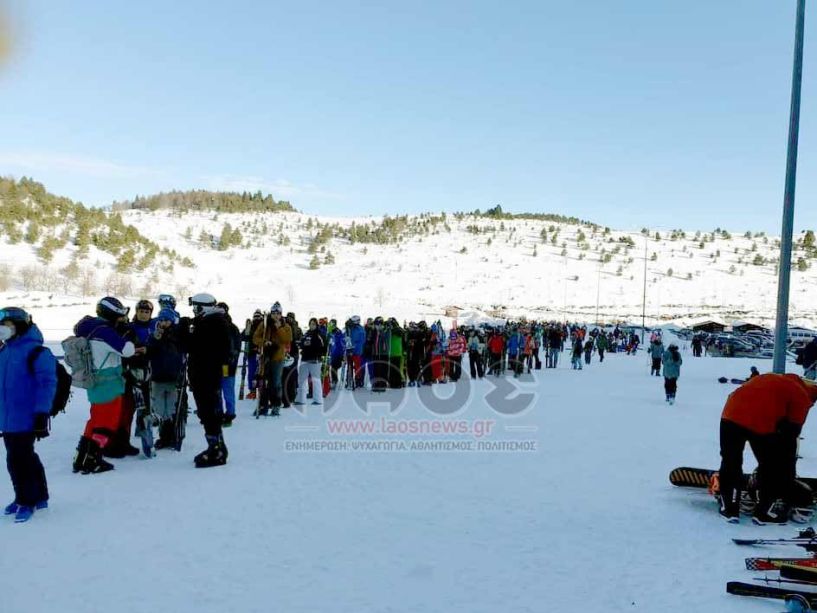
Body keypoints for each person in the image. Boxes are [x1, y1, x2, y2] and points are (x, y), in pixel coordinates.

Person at [717, 373, 817, 524]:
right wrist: (787, 474)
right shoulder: (803, 397)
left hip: (730, 414)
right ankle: (763, 512)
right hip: (761, 422)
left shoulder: (772, 378)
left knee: (731, 460)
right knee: (771, 466)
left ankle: (729, 508)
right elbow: (790, 436)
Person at [0, 308, 57, 523]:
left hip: (27, 417)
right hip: (8, 417)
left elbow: (47, 384)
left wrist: (42, 413)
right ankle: (40, 495)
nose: (2, 330)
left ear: (20, 326)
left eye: (7, 326)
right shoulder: (4, 352)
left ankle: (26, 500)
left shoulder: (37, 353)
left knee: (17, 460)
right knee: (26, 457)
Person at [72, 297, 140, 474]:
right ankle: (93, 459)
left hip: (95, 381)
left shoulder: (89, 328)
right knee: (107, 424)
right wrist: (128, 337)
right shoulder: (105, 333)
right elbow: (127, 351)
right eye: (120, 316)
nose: (122, 319)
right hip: (109, 384)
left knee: (94, 420)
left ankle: (81, 457)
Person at [178, 293, 232, 467]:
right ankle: (216, 446)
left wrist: (182, 329)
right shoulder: (211, 322)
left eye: (196, 307)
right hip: (205, 375)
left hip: (206, 376)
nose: (194, 311)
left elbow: (189, 345)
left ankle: (216, 449)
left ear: (203, 308)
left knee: (208, 412)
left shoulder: (212, 324)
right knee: (208, 412)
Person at [146, 308, 185, 449]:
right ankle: (164, 435)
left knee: (172, 408)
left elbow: (182, 350)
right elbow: (149, 351)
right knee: (160, 408)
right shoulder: (155, 335)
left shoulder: (177, 335)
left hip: (173, 376)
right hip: (158, 376)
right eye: (161, 320)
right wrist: (155, 339)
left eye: (166, 320)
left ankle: (172, 435)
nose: (163, 323)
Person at [253, 302, 292, 416]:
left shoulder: (285, 326)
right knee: (263, 382)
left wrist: (278, 327)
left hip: (278, 357)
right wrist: (264, 342)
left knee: (276, 383)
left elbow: (287, 339)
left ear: (281, 314)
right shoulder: (265, 324)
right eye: (273, 313)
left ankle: (276, 405)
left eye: (278, 313)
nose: (275, 315)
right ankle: (263, 406)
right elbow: (255, 337)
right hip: (265, 356)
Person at [218, 302, 241, 426]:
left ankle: (230, 414)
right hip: (216, 365)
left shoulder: (232, 328)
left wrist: (232, 359)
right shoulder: (213, 326)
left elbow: (236, 346)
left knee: (228, 390)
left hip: (228, 365)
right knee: (217, 391)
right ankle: (219, 413)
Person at [294, 318, 326, 406]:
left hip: (315, 360)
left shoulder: (319, 334)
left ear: (316, 325)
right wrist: (302, 344)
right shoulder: (306, 334)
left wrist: (313, 347)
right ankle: (300, 398)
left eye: (313, 324)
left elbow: (323, 347)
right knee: (301, 379)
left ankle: (318, 399)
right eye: (311, 324)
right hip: (305, 358)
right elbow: (301, 343)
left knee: (315, 380)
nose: (312, 326)